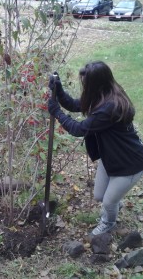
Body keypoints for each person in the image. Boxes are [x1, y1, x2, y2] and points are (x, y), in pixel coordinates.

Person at [48, 61, 143, 235]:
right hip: (111, 158)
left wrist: (57, 113)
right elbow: (77, 105)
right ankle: (114, 201)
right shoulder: (104, 94)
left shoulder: (110, 107)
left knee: (107, 202)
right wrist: (59, 92)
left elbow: (79, 129)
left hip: (130, 163)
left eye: (86, 83)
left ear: (96, 84)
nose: (84, 86)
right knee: (100, 196)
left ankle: (109, 222)